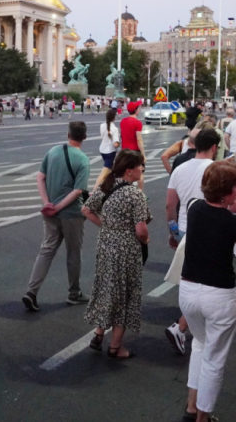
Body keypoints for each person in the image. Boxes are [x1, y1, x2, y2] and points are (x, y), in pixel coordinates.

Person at [179, 161, 236, 422]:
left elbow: (218, 211)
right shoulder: (235, 223)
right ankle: (202, 416)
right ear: (225, 192)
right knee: (214, 359)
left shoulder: (194, 208)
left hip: (188, 291)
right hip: (219, 297)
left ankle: (192, 407)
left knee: (200, 344)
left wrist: (230, 204)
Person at [82, 150, 151, 359]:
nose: (142, 169)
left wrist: (107, 226)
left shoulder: (106, 186)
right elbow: (141, 229)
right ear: (129, 171)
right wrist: (146, 240)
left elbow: (86, 210)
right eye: (140, 166)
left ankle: (99, 334)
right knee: (125, 295)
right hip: (126, 251)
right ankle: (115, 347)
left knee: (107, 288)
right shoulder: (134, 193)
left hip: (106, 247)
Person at [22, 122, 90, 311]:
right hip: (71, 214)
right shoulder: (83, 160)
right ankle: (74, 293)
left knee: (46, 250)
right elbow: (78, 191)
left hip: (49, 212)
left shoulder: (52, 152)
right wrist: (59, 206)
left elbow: (40, 177)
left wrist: (47, 204)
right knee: (73, 253)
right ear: (84, 137)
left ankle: (31, 291)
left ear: (68, 134)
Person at [165, 129, 220, 354]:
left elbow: (170, 205)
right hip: (210, 232)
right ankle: (184, 327)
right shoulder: (216, 169)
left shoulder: (179, 168)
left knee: (190, 280)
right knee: (207, 283)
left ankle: (184, 326)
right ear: (214, 147)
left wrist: (174, 232)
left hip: (186, 231)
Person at [120, 100, 146, 190]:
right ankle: (140, 194)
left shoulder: (123, 121)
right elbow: (139, 139)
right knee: (140, 172)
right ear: (135, 110)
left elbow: (122, 136)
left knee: (126, 173)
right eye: (138, 108)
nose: (139, 109)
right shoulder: (137, 123)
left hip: (125, 151)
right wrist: (143, 154)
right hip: (135, 151)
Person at [93, 109, 120, 191]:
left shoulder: (102, 125)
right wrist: (119, 143)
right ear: (114, 118)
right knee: (104, 172)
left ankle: (109, 188)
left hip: (102, 149)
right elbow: (115, 143)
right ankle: (94, 191)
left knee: (111, 171)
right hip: (110, 152)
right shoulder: (114, 129)